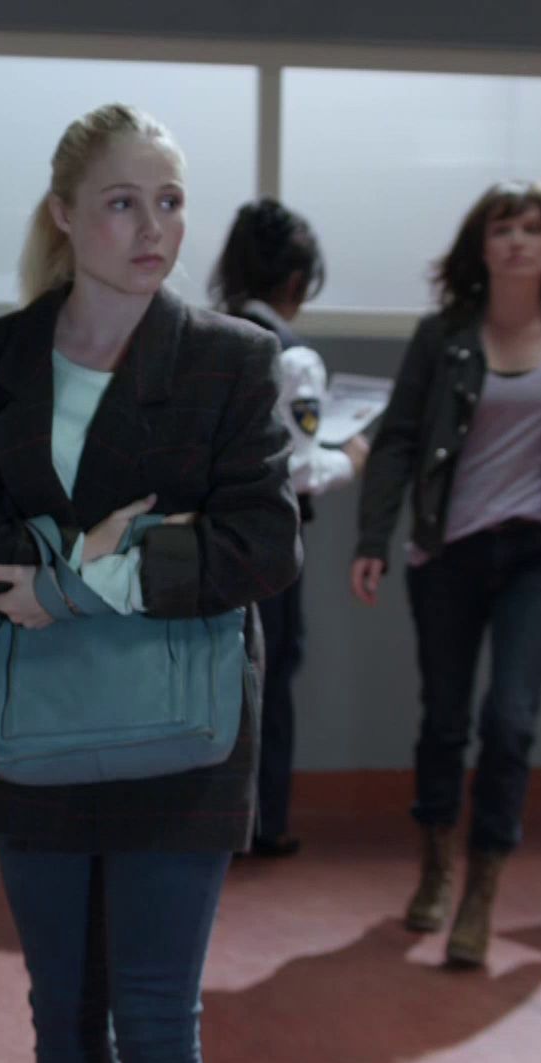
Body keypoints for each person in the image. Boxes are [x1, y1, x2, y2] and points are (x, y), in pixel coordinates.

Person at [0, 103, 301, 1063]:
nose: (153, 228)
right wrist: (62, 557)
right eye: (121, 203)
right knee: (63, 1016)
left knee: (155, 1018)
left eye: (170, 202)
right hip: (34, 726)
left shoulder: (232, 360)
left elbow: (265, 545)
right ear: (64, 214)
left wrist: (79, 583)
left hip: (183, 726)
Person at [349, 182, 541, 967]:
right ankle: (436, 867)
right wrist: (374, 536)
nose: (517, 241)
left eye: (532, 229)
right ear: (480, 247)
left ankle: (483, 888)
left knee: (511, 721)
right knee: (445, 720)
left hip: (537, 557)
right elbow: (399, 439)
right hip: (448, 554)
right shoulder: (443, 336)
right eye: (502, 228)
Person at [211, 197, 370, 857]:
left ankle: (209, 815)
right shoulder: (294, 357)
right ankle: (261, 822)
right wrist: (352, 456)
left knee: (217, 673)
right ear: (298, 281)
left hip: (205, 536)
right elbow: (299, 469)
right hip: (268, 545)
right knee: (269, 674)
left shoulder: (206, 334)